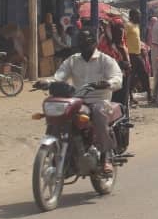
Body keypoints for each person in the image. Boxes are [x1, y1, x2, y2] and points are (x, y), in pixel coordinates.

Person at [40, 27, 122, 175]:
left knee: (98, 113)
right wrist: (47, 82)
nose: (84, 46)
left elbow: (117, 78)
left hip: (100, 100)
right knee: (62, 114)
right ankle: (63, 150)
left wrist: (108, 83)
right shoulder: (73, 60)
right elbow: (59, 76)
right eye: (81, 43)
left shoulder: (105, 60)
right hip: (78, 100)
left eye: (87, 42)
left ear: (94, 43)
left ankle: (106, 156)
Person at [125, 10, 150, 102]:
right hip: (130, 55)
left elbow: (136, 39)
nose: (140, 17)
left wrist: (142, 48)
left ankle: (149, 94)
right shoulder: (128, 25)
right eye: (138, 15)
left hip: (138, 54)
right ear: (133, 16)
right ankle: (129, 97)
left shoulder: (136, 26)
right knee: (132, 77)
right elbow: (123, 38)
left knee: (143, 74)